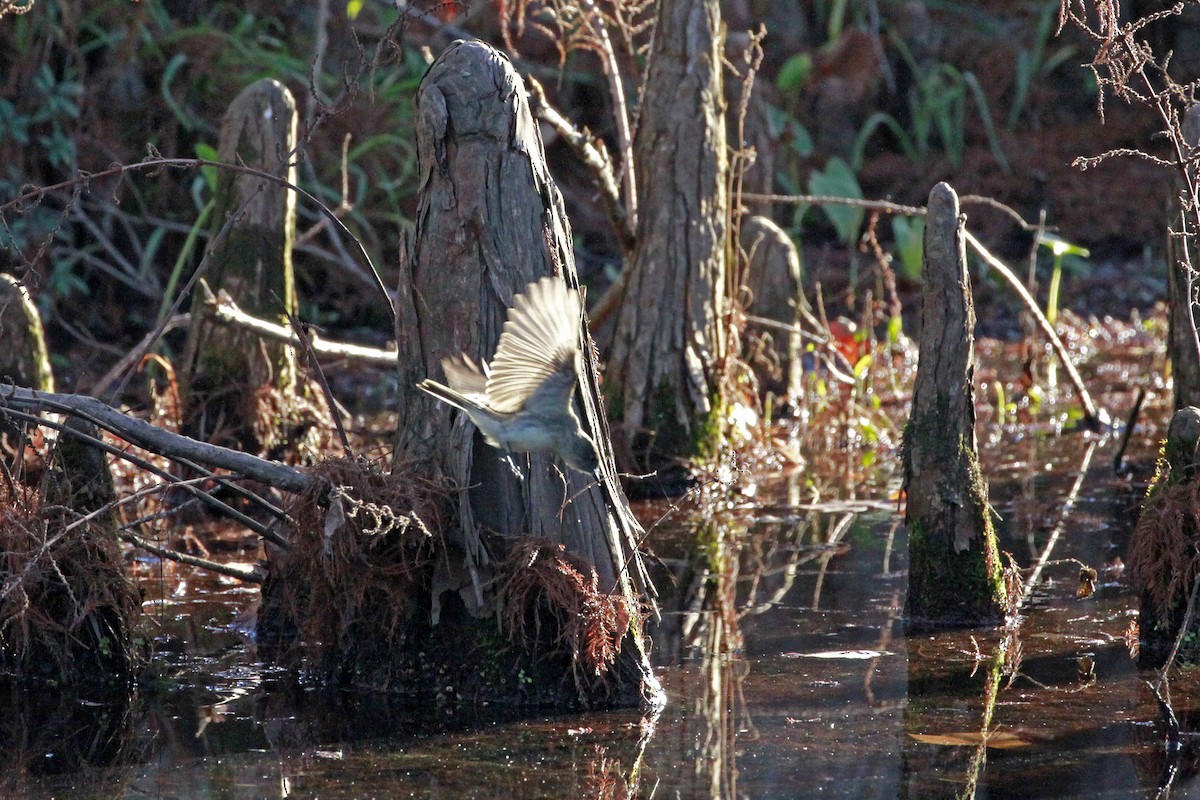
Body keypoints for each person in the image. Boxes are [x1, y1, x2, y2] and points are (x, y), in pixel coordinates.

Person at [418, 276, 600, 474]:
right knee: (566, 369)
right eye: (585, 463)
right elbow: (560, 358)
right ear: (578, 453)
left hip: (504, 426)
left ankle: (510, 461)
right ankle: (511, 463)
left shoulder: (559, 437)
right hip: (503, 425)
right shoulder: (561, 416)